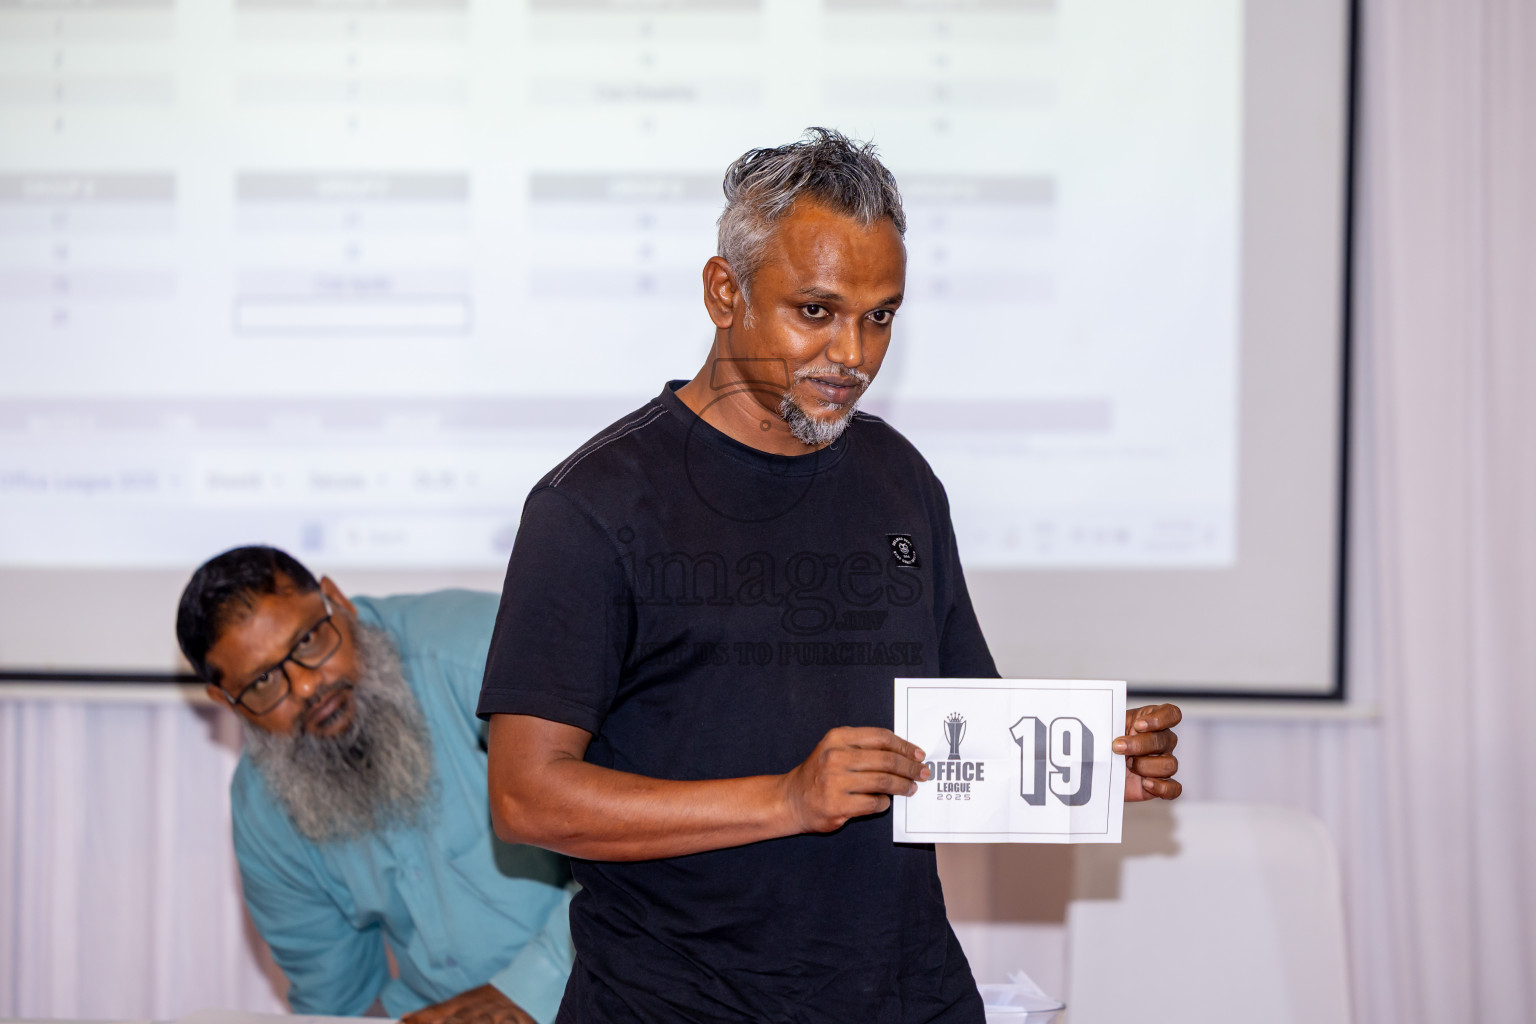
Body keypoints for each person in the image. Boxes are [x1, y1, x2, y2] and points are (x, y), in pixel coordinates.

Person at [477, 128, 1184, 1023]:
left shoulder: (897, 477)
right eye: (816, 311)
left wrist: (1084, 763)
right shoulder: (591, 507)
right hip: (680, 1003)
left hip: (908, 991)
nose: (852, 354)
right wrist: (785, 798)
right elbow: (525, 797)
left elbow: (967, 728)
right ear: (723, 292)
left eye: (880, 315)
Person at [175, 545, 575, 1023]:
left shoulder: (475, 657)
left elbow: (633, 851)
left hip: (600, 986)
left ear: (336, 600)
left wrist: (527, 989)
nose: (304, 687)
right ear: (226, 701)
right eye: (263, 681)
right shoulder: (263, 810)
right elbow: (337, 1000)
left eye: (306, 642)